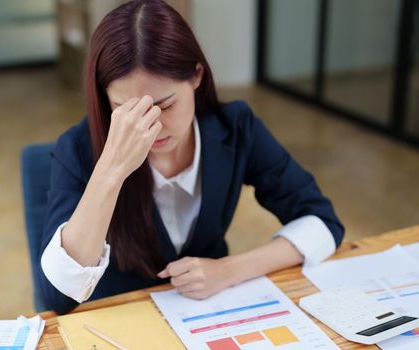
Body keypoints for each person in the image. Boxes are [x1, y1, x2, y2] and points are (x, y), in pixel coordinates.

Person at [39, 0, 344, 314]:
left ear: (196, 76)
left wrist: (230, 270)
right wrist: (111, 171)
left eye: (166, 105)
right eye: (126, 111)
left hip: (208, 313)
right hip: (122, 319)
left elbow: (323, 223)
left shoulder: (235, 127)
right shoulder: (78, 148)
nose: (151, 128)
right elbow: (56, 297)